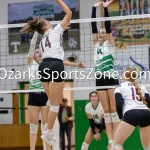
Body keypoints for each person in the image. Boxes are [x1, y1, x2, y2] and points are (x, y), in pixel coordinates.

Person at [21, 0, 72, 145]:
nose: (49, 22)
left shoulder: (42, 40)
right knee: (55, 104)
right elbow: (69, 13)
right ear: (45, 26)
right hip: (56, 65)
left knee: (51, 100)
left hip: (43, 67)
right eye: (47, 21)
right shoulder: (55, 30)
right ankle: (48, 132)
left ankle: (48, 132)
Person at [91, 0, 127, 149]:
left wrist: (105, 10)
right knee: (106, 111)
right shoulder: (95, 44)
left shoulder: (110, 44)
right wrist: (93, 9)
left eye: (103, 33)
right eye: (99, 34)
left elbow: (107, 26)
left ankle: (118, 141)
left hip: (110, 77)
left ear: (106, 35)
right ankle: (110, 141)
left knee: (113, 109)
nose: (100, 35)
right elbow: (92, 26)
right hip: (99, 78)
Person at [113, 67, 150, 150]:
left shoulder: (120, 86)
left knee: (116, 145)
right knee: (147, 147)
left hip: (131, 113)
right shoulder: (141, 87)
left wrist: (120, 118)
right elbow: (149, 102)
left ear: (124, 75)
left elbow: (119, 104)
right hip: (146, 114)